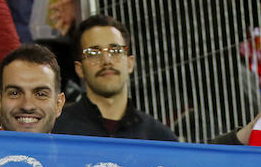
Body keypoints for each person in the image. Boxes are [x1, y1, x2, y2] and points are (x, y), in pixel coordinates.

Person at [53, 14, 178, 142]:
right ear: (79, 69)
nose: (107, 60)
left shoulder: (159, 138)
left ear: (130, 63)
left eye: (115, 51)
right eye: (93, 53)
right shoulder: (56, 131)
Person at [0, 43, 65, 133]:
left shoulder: (78, 147)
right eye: (15, 93)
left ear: (58, 105)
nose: (27, 106)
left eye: (41, 94)